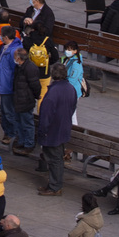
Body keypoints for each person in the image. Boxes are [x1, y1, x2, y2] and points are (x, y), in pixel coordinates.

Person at [37, 62, 77, 196]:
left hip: (52, 132)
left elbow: (46, 116)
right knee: (57, 158)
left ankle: (55, 186)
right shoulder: (70, 88)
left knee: (54, 160)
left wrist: (42, 131)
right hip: (63, 128)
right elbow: (72, 108)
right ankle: (54, 184)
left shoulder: (53, 92)